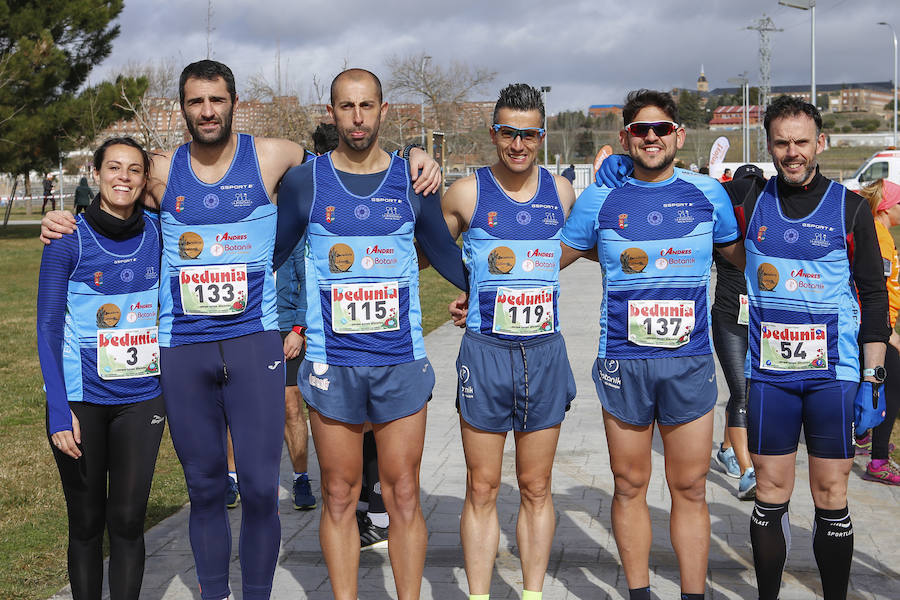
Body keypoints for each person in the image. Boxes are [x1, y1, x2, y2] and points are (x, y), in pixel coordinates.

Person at [40, 60, 441, 600]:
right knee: (205, 490)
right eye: (195, 102)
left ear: (234, 102)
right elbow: (118, 193)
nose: (207, 111)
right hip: (184, 352)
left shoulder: (274, 156)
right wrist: (65, 217)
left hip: (255, 346)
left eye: (217, 100)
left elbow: (346, 161)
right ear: (182, 108)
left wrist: (416, 156)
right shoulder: (160, 169)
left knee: (257, 490)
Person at [273, 68, 468, 600]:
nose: (356, 117)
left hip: (399, 362)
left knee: (404, 494)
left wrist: (490, 291)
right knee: (339, 493)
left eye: (366, 106)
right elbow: (267, 255)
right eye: (345, 106)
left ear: (384, 111)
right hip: (332, 365)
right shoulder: (305, 182)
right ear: (331, 112)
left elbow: (446, 253)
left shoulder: (413, 180)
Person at [560, 89, 743, 600]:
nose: (652, 137)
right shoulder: (600, 197)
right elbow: (552, 261)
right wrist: (475, 281)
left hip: (688, 364)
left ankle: (692, 594)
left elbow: (744, 260)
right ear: (626, 138)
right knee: (628, 485)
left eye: (662, 128)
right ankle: (638, 592)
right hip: (623, 362)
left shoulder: (709, 193)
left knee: (689, 488)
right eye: (641, 129)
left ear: (678, 135)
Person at [743, 95, 888, 600]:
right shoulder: (751, 197)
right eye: (782, 142)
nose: (792, 152)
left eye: (802, 141)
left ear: (820, 143)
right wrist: (622, 170)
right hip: (769, 377)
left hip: (834, 376)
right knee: (769, 494)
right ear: (769, 145)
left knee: (831, 494)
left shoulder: (851, 210)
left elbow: (873, 297)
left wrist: (874, 378)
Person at [442, 83, 577, 600]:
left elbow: (563, 253)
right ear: (493, 132)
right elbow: (430, 250)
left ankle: (533, 592)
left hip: (544, 352)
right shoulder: (467, 192)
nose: (517, 144)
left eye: (528, 134)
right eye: (507, 133)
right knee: (482, 487)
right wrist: (469, 289)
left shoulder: (561, 192)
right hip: (486, 353)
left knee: (537, 487)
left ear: (541, 136)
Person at [37, 137, 165, 600]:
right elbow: (48, 325)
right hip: (81, 402)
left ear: (145, 179)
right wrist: (57, 409)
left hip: (142, 399)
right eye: (114, 167)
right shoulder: (66, 238)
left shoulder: (159, 233)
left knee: (129, 521)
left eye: (134, 169)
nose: (124, 177)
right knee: (88, 523)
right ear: (96, 175)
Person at [596, 158, 766, 501]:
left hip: (709, 344)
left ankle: (737, 455)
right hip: (725, 316)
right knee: (740, 391)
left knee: (691, 485)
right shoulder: (712, 198)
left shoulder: (735, 205)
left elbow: (760, 261)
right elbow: (570, 246)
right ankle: (745, 465)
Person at [856, 178, 900, 485]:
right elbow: (876, 290)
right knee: (891, 389)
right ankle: (879, 460)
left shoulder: (882, 232)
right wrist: (888, 333)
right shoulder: (880, 237)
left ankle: (861, 436)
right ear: (886, 207)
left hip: (880, 323)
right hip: (878, 326)